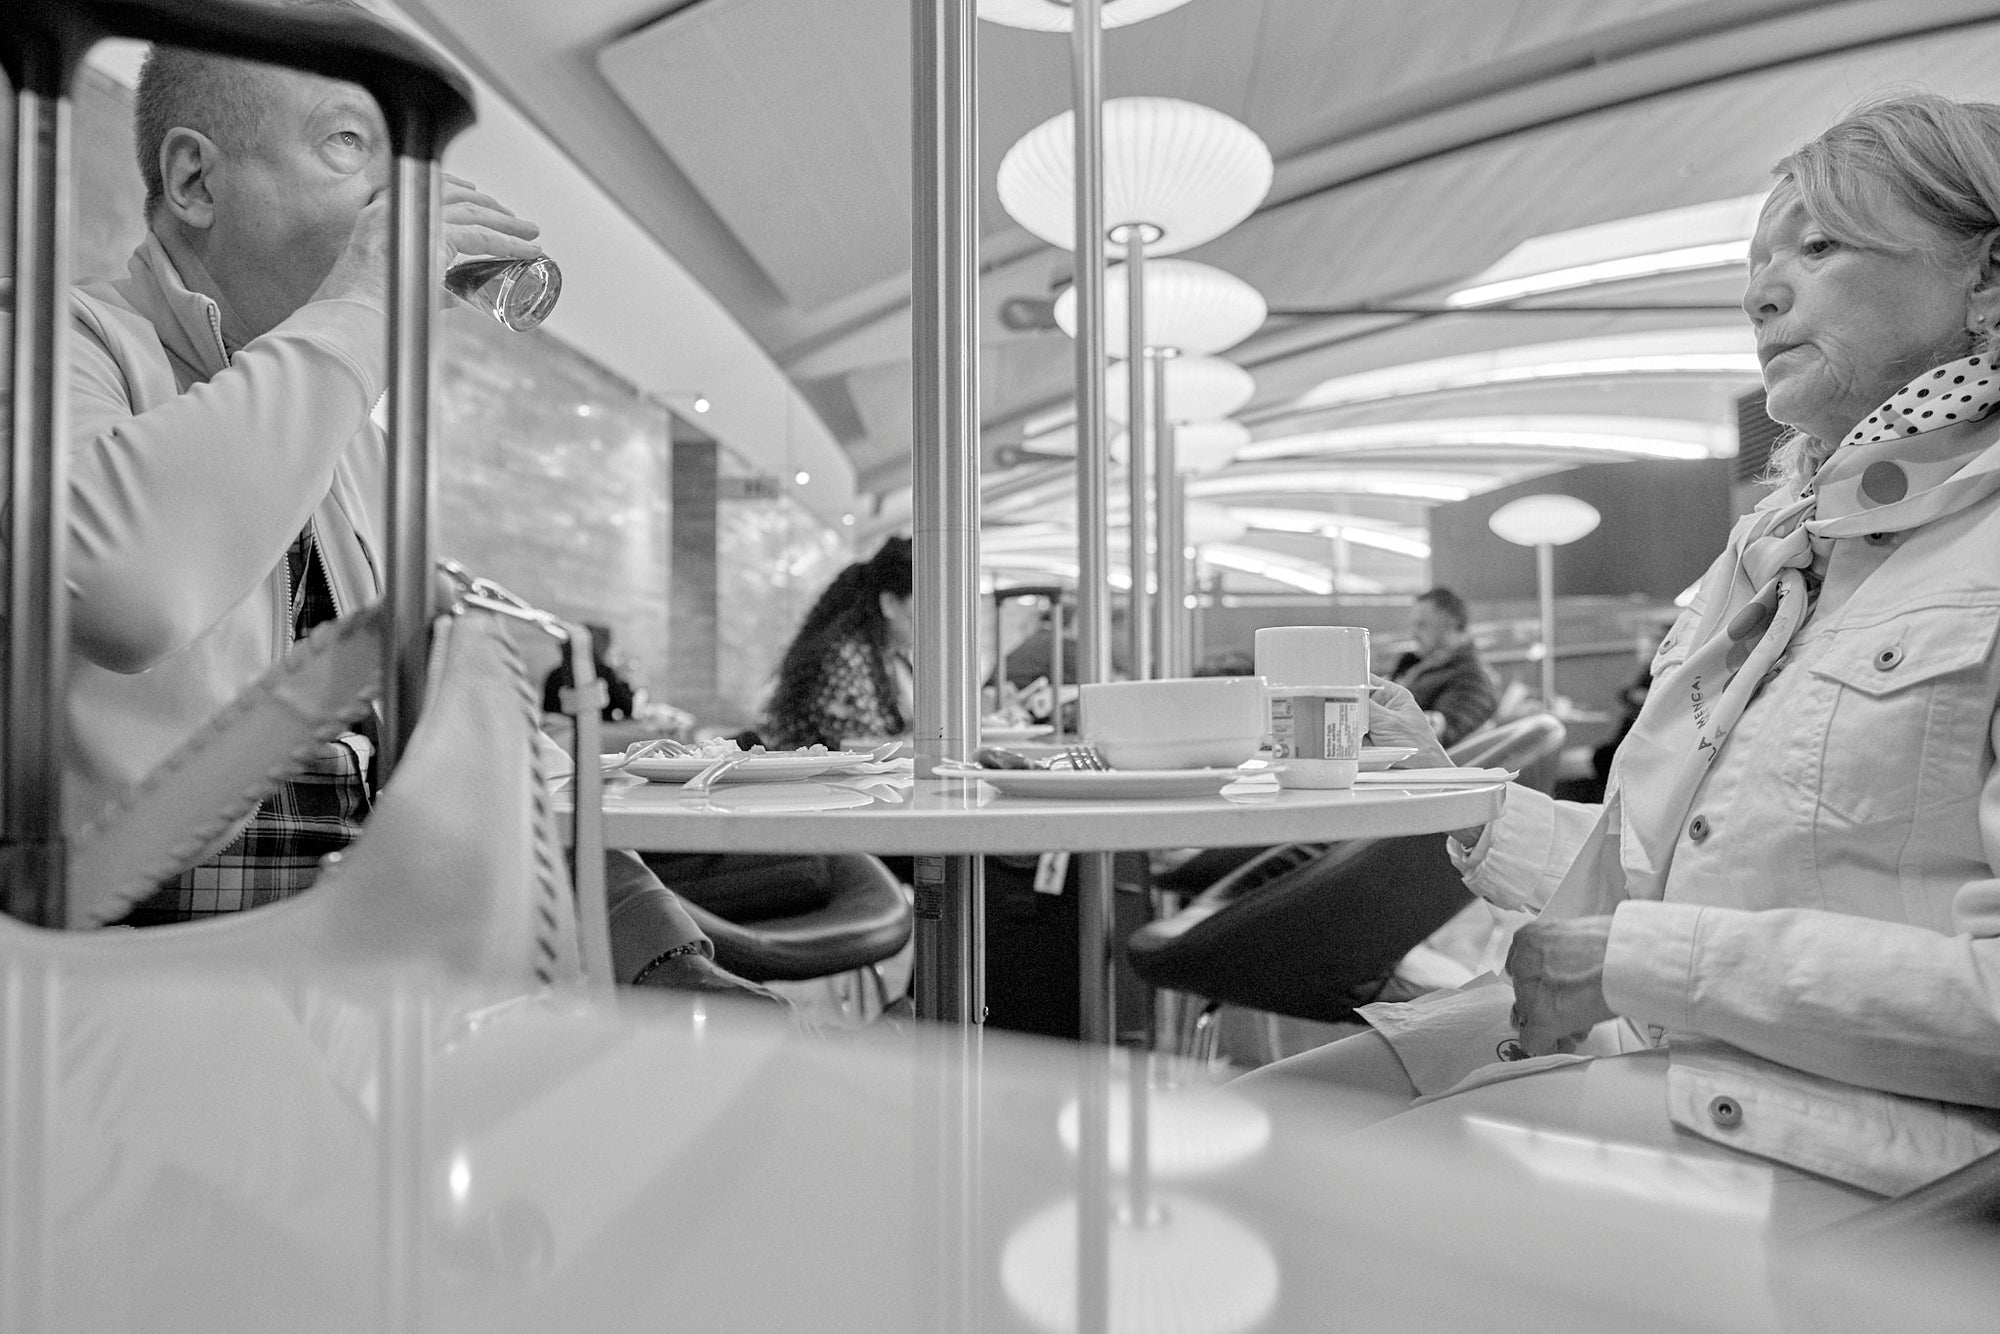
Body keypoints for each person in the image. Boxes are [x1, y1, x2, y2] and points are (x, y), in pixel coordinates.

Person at [1243, 94, 2000, 1201]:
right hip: (1670, 1058)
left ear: (1982, 277)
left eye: (1820, 243)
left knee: (1272, 1201)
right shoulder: (1787, 548)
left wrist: (1633, 962)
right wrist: (1456, 793)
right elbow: (1679, 863)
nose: (1759, 291)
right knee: (1227, 1134)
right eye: (1754, 263)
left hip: (1844, 1151)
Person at [65, 6, 755, 995]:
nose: (401, 198)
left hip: (361, 947)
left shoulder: (357, 440)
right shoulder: (60, 343)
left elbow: (417, 727)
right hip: (134, 975)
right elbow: (130, 588)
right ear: (195, 180)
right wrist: (364, 300)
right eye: (349, 143)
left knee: (689, 1013)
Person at [762, 536, 913, 750]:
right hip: (810, 780)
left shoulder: (890, 658)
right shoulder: (845, 657)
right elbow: (861, 746)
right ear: (889, 603)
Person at [1388, 587, 1497, 746]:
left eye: (1422, 625)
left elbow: (1439, 735)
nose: (1413, 633)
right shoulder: (1413, 664)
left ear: (1450, 624)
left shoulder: (1473, 680)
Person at [541, 622, 638, 721]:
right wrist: (623, 681)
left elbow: (547, 710)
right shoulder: (603, 672)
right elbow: (628, 708)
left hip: (560, 732)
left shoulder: (554, 674)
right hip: (596, 731)